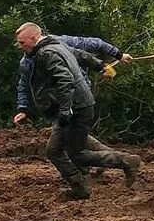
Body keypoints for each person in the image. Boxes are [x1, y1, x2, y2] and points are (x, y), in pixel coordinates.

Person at [14, 22, 140, 199]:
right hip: (77, 105)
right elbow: (79, 54)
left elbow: (65, 81)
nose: (19, 46)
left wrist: (65, 112)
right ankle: (80, 186)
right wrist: (100, 66)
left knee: (76, 154)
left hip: (75, 108)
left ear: (34, 38)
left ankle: (125, 162)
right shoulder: (55, 44)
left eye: (21, 42)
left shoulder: (46, 53)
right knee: (57, 150)